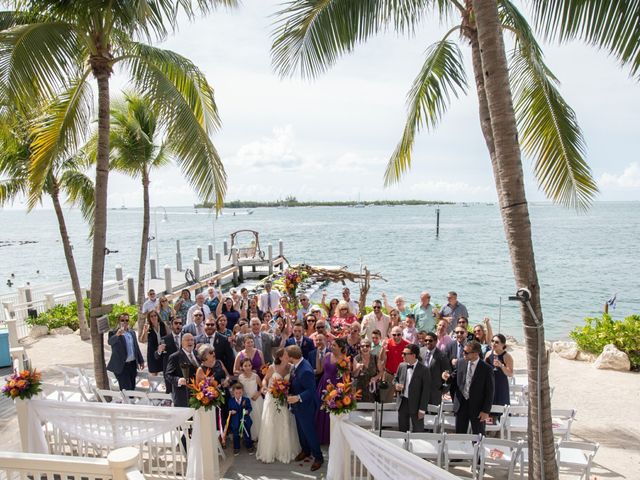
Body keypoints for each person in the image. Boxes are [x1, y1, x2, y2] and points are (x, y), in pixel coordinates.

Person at [257, 348, 301, 463]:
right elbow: (264, 380)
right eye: (286, 354)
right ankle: (270, 451)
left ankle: (283, 450)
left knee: (284, 422)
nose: (288, 355)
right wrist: (264, 387)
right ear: (280, 357)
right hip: (272, 399)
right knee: (271, 423)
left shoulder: (291, 367)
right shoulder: (272, 368)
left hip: (285, 399)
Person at [443, 340, 494, 435]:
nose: (463, 354)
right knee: (460, 435)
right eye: (463, 351)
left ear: (476, 354)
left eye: (466, 352)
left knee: (478, 436)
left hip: (478, 408)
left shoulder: (487, 369)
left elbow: (490, 391)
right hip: (461, 405)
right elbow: (454, 379)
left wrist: (486, 411)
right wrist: (446, 377)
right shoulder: (460, 362)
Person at [285, 345, 324, 472]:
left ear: (292, 357)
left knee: (309, 432)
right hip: (297, 407)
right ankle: (305, 451)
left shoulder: (305, 370)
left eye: (287, 356)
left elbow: (311, 390)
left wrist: (298, 397)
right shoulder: (296, 366)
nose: (286, 358)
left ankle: (318, 457)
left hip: (306, 406)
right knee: (301, 431)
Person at [315, 338, 348, 444]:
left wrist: (343, 391)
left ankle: (332, 437)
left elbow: (346, 376)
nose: (331, 347)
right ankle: (320, 436)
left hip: (336, 386)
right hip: (324, 384)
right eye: (331, 345)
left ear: (340, 347)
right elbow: (319, 370)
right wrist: (317, 354)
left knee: (333, 410)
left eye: (334, 345)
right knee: (321, 410)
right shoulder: (327, 355)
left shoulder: (344, 359)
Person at [394, 343, 429, 432]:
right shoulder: (401, 366)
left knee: (418, 431)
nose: (402, 355)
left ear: (413, 355)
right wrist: (396, 385)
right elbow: (395, 379)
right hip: (403, 403)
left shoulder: (424, 370)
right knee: (402, 431)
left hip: (417, 405)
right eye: (402, 353)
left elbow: (426, 391)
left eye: (405, 354)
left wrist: (422, 409)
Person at [107, 313, 145, 391]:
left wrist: (141, 361)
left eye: (127, 320)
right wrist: (117, 335)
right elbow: (110, 342)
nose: (125, 322)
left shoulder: (132, 333)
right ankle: (127, 402)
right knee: (126, 390)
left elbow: (136, 347)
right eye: (122, 320)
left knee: (132, 388)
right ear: (119, 321)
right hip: (121, 366)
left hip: (132, 365)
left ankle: (130, 402)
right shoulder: (113, 333)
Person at [165, 333, 199, 407]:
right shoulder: (175, 357)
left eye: (192, 340)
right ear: (182, 342)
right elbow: (168, 375)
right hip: (183, 396)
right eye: (187, 340)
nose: (190, 342)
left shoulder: (198, 354)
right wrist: (178, 380)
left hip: (198, 395)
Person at [380, 326, 409, 403]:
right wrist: (383, 348)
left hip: (402, 376)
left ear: (402, 334)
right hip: (389, 375)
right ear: (390, 334)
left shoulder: (407, 345)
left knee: (403, 402)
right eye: (394, 334)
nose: (396, 336)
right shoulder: (387, 343)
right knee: (385, 401)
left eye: (398, 334)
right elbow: (381, 359)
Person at [419, 331, 449, 405]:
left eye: (430, 340)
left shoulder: (442, 356)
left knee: (432, 414)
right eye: (426, 340)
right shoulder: (421, 351)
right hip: (421, 389)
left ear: (436, 341)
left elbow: (447, 374)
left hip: (435, 392)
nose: (428, 342)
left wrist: (444, 390)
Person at [238, 358, 264, 441]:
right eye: (245, 366)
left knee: (258, 417)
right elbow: (240, 390)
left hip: (256, 399)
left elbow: (262, 387)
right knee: (250, 418)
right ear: (242, 367)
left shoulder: (255, 376)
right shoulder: (240, 377)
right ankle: (252, 437)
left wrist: (258, 394)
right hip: (247, 401)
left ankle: (261, 437)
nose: (248, 367)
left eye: (249, 365)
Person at [156, 317, 184, 394]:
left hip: (184, 371)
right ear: (171, 325)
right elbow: (156, 356)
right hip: (170, 372)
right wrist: (159, 351)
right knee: (170, 394)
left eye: (180, 323)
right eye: (176, 323)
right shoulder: (165, 339)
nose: (178, 325)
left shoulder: (187, 338)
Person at [485, 334, 513, 406]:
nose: (494, 343)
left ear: (503, 344)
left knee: (500, 408)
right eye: (492, 341)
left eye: (497, 342)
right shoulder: (488, 354)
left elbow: (510, 373)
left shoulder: (507, 356)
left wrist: (501, 366)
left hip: (500, 384)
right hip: (489, 383)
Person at [228, 383, 254, 455]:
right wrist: (231, 411)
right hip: (235, 420)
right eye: (236, 393)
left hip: (244, 419)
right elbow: (229, 409)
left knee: (247, 433)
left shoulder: (246, 400)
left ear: (242, 392)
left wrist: (247, 411)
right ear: (233, 392)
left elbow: (249, 408)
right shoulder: (231, 400)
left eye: (240, 393)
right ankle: (236, 448)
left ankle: (249, 446)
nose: (238, 394)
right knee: (236, 434)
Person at [140, 310, 167, 375]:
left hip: (163, 353)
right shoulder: (148, 327)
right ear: (149, 318)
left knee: (165, 373)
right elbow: (143, 340)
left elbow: (168, 335)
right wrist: (145, 331)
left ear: (157, 316)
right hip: (152, 354)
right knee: (154, 375)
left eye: (155, 315)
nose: (153, 317)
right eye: (151, 316)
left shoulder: (162, 325)